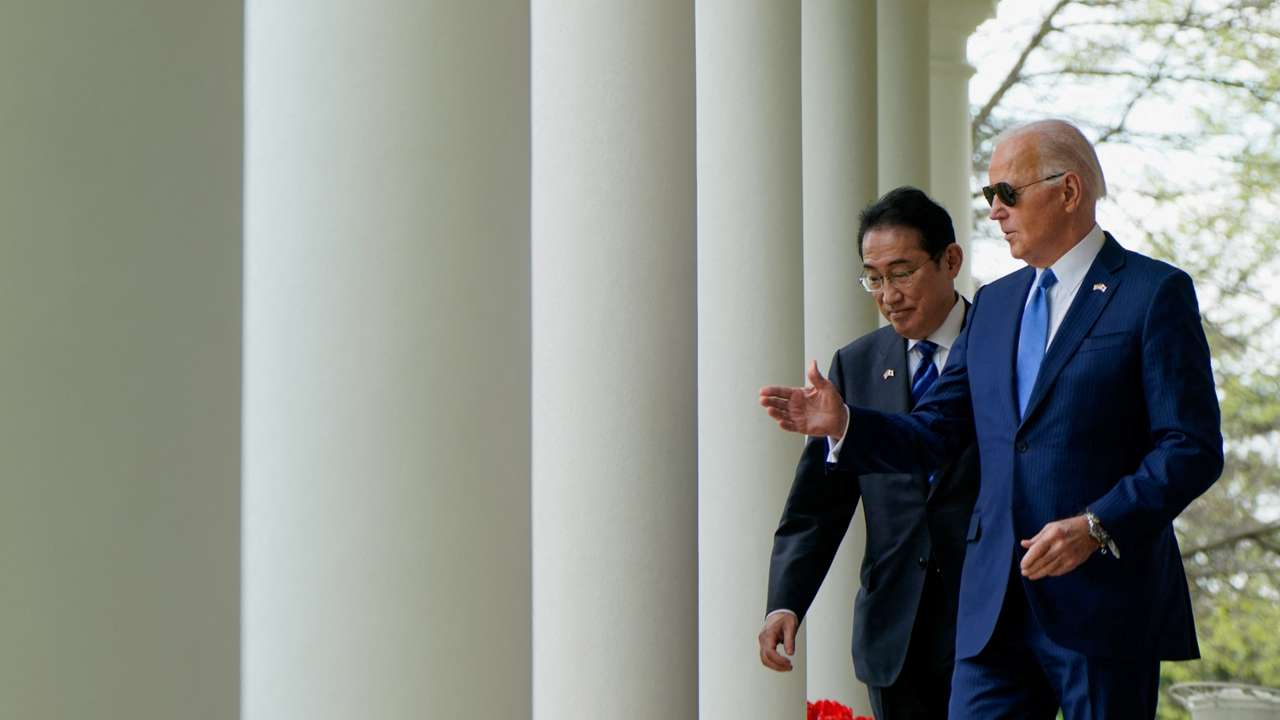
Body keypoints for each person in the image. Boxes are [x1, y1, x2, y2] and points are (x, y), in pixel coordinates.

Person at [760, 119, 1222, 719]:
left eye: (1008, 193)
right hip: (989, 613)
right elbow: (936, 431)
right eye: (989, 196)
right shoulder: (998, 304)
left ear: (1069, 191)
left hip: (1101, 605)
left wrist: (1096, 525)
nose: (995, 211)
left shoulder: (1153, 293)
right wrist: (847, 422)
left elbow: (1190, 447)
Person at [758, 187, 979, 719]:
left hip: (988, 624)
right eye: (873, 278)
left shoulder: (1001, 345)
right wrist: (785, 602)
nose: (887, 294)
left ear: (950, 260)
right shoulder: (855, 365)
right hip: (894, 633)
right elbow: (818, 504)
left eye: (902, 273)